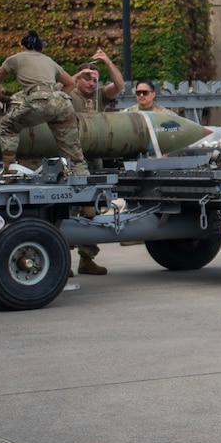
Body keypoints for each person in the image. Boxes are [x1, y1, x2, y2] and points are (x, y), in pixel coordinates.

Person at [61, 51, 124, 276]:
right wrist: (77, 75)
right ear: (78, 79)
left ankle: (87, 259)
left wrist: (107, 61)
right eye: (87, 78)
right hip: (70, 159)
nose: (91, 83)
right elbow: (56, 92)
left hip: (93, 160)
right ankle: (62, 262)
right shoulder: (68, 95)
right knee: (67, 211)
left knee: (92, 210)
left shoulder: (100, 96)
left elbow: (119, 85)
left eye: (95, 79)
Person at [0, 32, 84, 173]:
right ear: (42, 48)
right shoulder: (49, 61)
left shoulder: (15, 59)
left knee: (7, 125)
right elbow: (70, 83)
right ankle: (80, 174)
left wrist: (1, 97)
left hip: (38, 99)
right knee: (72, 148)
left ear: (22, 46)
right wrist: (55, 101)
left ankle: (10, 171)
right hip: (62, 101)